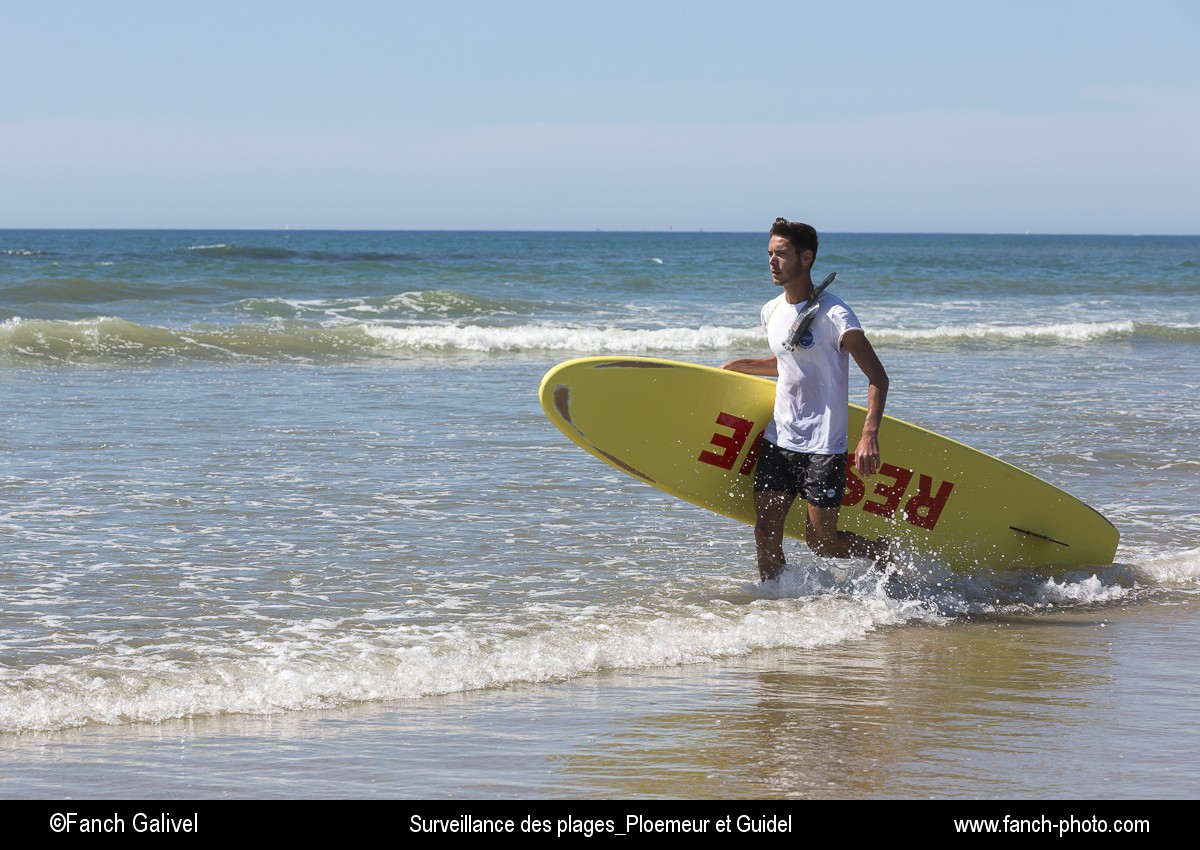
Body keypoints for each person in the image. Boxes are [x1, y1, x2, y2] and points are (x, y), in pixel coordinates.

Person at [722, 218, 890, 581]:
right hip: (778, 438)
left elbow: (878, 376)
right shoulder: (771, 311)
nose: (772, 261)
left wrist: (868, 435)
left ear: (806, 258)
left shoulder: (835, 315)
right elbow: (788, 361)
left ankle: (880, 551)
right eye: (769, 253)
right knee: (765, 533)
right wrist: (743, 365)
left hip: (823, 445)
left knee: (822, 543)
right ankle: (776, 607)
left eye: (781, 254)